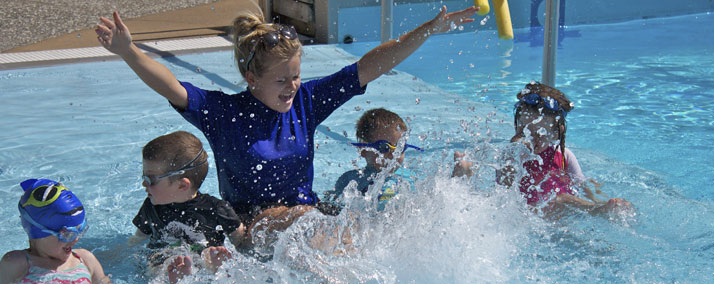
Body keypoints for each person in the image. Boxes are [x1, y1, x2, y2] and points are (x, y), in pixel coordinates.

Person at [95, 6, 479, 224]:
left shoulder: (306, 102)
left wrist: (428, 29)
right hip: (249, 222)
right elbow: (172, 87)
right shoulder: (224, 113)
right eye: (281, 79)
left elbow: (368, 66)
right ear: (251, 79)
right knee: (312, 226)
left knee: (384, 220)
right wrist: (130, 52)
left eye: (296, 75)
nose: (292, 86)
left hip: (305, 213)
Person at [496, 82, 631, 215]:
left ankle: (602, 208)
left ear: (556, 133)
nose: (531, 138)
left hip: (560, 216)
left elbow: (582, 185)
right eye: (524, 130)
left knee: (564, 198)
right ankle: (596, 210)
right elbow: (503, 195)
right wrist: (513, 156)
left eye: (540, 133)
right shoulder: (512, 155)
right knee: (561, 199)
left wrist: (600, 200)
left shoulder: (564, 155)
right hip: (530, 214)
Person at [129, 131, 246, 283]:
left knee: (207, 259)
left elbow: (239, 237)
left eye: (150, 179)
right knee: (154, 265)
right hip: (163, 261)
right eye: (143, 176)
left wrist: (230, 251)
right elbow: (137, 238)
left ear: (182, 185)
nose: (143, 184)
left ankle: (213, 269)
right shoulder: (151, 206)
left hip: (201, 259)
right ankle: (177, 277)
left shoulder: (217, 209)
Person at [325, 108, 474, 210]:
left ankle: (459, 174)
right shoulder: (350, 180)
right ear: (363, 150)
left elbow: (434, 199)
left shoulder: (410, 178)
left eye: (400, 148)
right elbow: (333, 208)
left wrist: (451, 182)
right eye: (384, 148)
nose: (393, 155)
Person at [0, 178, 111, 284]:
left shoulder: (86, 260)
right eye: (68, 234)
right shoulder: (17, 263)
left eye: (80, 230)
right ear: (39, 232)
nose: (76, 239)